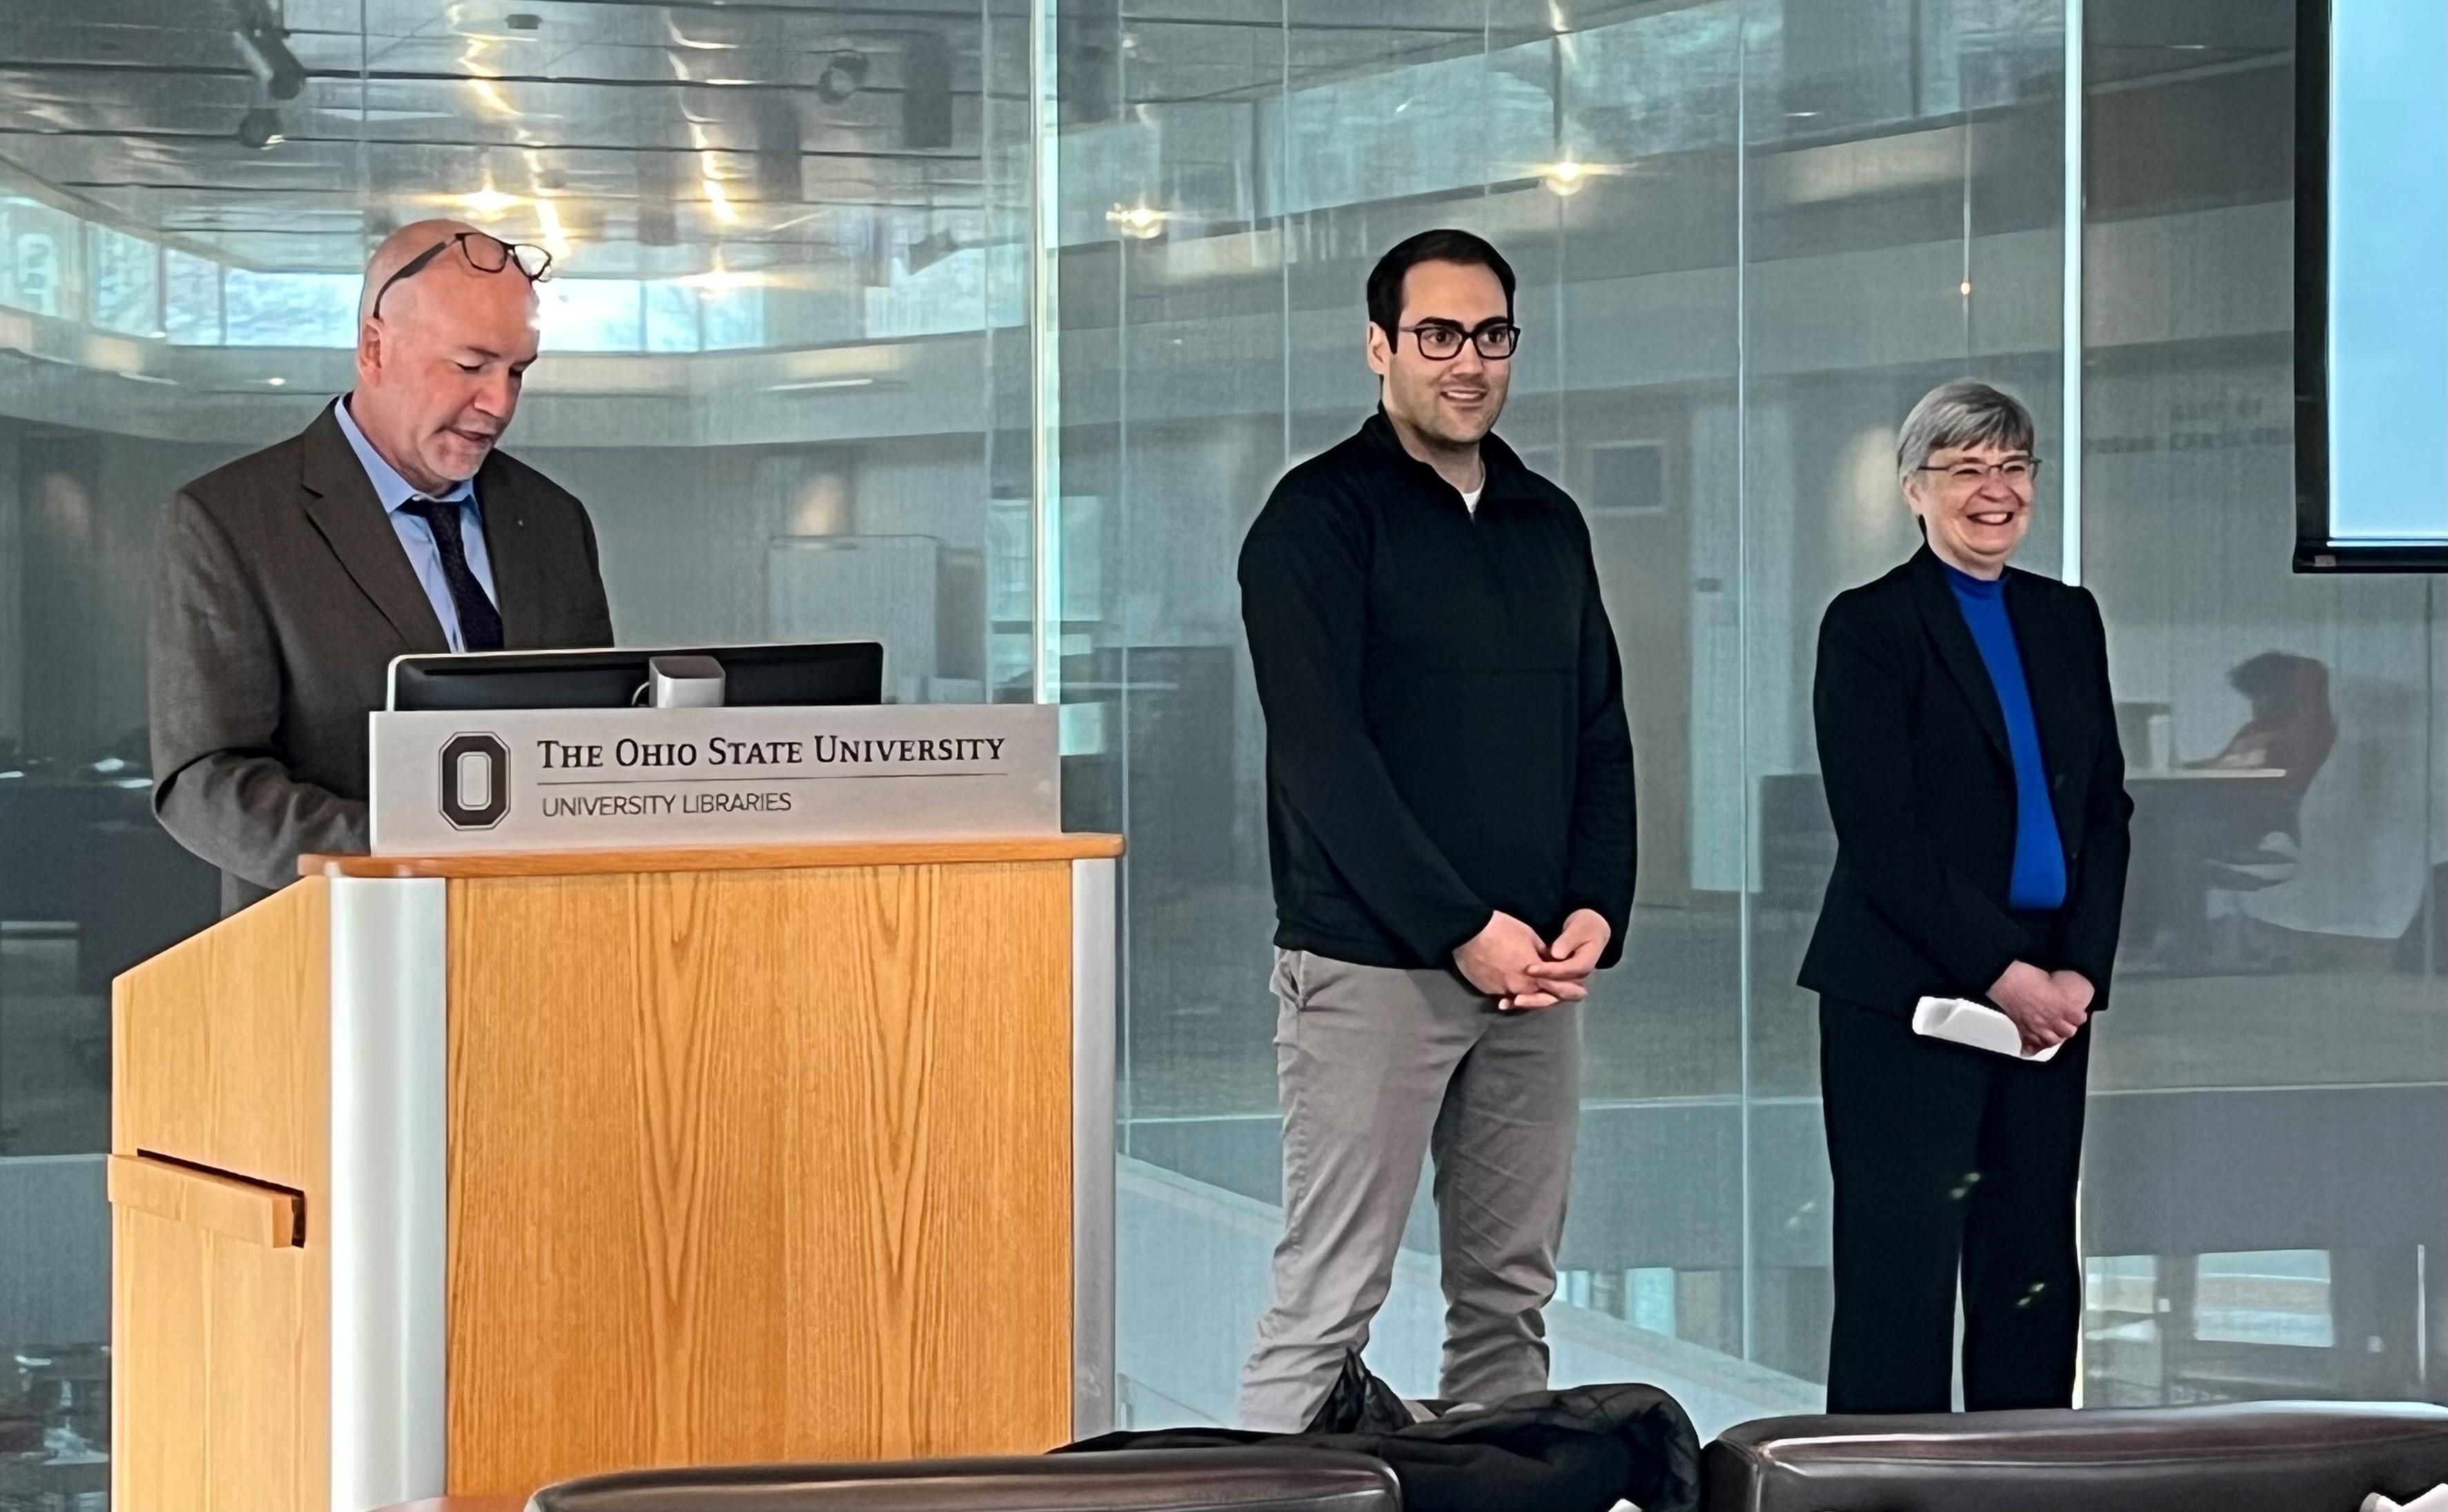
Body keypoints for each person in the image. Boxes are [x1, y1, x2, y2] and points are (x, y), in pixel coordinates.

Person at [1235, 229, 1637, 1430]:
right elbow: (1325, 761)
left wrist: (1594, 913)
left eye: (1493, 335)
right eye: (1440, 335)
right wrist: (1461, 926)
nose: (1469, 362)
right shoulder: (1316, 521)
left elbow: (1601, 734)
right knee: (1328, 1300)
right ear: (1382, 347)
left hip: (1535, 982)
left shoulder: (1548, 522)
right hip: (1370, 968)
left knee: (1510, 1299)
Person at [1802, 379, 2132, 1414]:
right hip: (1910, 993)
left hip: (2049, 992)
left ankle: (2030, 1483)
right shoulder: (1869, 627)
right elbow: (1882, 836)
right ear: (1914, 489)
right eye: (1965, 469)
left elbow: (2105, 811)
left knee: (2032, 1267)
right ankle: (1877, 1493)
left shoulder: (2066, 617)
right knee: (1898, 1278)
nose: (1994, 489)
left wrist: (2075, 970)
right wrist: (2007, 974)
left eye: (2013, 465)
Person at [150, 220, 616, 911]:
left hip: (541, 947)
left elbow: (593, 744)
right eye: (471, 365)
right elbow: (204, 784)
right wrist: (412, 859)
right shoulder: (229, 521)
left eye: (516, 371)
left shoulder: (554, 520)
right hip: (330, 956)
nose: (499, 403)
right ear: (375, 348)